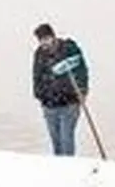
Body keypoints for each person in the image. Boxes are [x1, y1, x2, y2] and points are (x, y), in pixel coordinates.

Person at [31, 22, 89, 156]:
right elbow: (36, 75)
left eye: (46, 39)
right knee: (56, 142)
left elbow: (81, 70)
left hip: (69, 103)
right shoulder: (39, 54)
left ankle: (68, 169)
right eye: (40, 40)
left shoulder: (69, 49)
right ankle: (59, 171)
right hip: (49, 104)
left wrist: (83, 90)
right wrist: (39, 94)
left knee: (66, 138)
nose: (43, 43)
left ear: (53, 36)